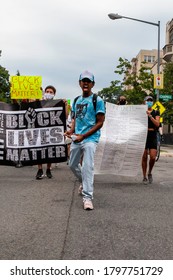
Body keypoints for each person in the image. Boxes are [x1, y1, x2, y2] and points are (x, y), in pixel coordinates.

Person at [65, 70, 105, 210]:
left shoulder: (97, 100)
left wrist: (85, 135)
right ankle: (84, 182)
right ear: (80, 83)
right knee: (72, 164)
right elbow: (75, 118)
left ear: (93, 84)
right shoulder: (77, 100)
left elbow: (100, 122)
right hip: (78, 137)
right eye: (84, 80)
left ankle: (87, 197)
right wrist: (71, 130)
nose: (86, 83)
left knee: (88, 166)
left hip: (90, 139)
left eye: (88, 81)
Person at [142, 95, 160, 184]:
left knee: (153, 157)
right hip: (143, 135)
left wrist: (150, 116)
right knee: (144, 156)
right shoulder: (141, 112)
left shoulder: (156, 112)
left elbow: (157, 124)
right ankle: (144, 176)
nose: (149, 102)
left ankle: (149, 172)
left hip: (152, 134)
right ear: (144, 101)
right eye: (147, 100)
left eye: (151, 100)